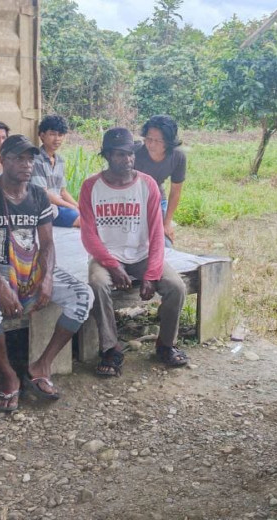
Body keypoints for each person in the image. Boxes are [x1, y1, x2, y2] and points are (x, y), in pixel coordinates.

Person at [0, 134, 92, 411]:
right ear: (3, 160)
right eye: (18, 158)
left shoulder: (36, 195)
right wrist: (0, 286)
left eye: (30, 159)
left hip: (30, 267)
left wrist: (46, 278)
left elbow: (46, 243)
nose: (26, 164)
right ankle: (9, 376)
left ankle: (40, 366)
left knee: (83, 295)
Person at [79, 127, 188, 377]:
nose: (127, 160)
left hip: (142, 255)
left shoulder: (147, 185)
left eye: (130, 154)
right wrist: (112, 265)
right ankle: (111, 348)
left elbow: (157, 234)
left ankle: (165, 344)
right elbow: (88, 235)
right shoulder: (91, 187)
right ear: (107, 155)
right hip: (107, 256)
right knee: (97, 284)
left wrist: (151, 274)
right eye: (120, 155)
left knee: (176, 286)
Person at [134, 115, 186, 246]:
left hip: (157, 199)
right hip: (132, 201)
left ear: (168, 142)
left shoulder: (178, 157)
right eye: (149, 139)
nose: (151, 144)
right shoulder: (134, 153)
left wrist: (167, 223)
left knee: (165, 244)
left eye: (158, 141)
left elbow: (175, 191)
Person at [32, 115, 81, 227]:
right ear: (42, 135)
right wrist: (72, 207)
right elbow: (43, 193)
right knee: (82, 220)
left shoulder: (60, 161)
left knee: (84, 214)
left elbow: (63, 192)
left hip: (58, 206)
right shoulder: (36, 159)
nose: (57, 139)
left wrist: (78, 206)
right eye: (53, 134)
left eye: (60, 135)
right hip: (43, 208)